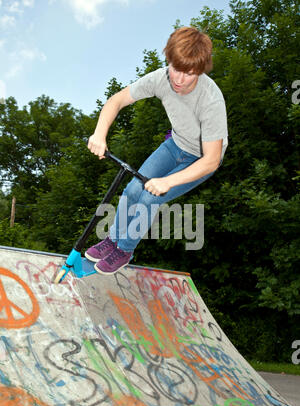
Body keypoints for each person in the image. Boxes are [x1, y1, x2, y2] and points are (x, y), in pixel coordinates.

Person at [85, 26, 228, 275]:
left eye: (189, 74)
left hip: (200, 159)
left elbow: (212, 160)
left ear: (200, 71)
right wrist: (100, 133)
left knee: (151, 197)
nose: (179, 80)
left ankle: (125, 250)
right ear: (169, 60)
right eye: (175, 69)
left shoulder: (211, 99)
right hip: (175, 145)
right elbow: (116, 100)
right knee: (132, 190)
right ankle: (113, 240)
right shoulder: (160, 78)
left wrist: (168, 181)